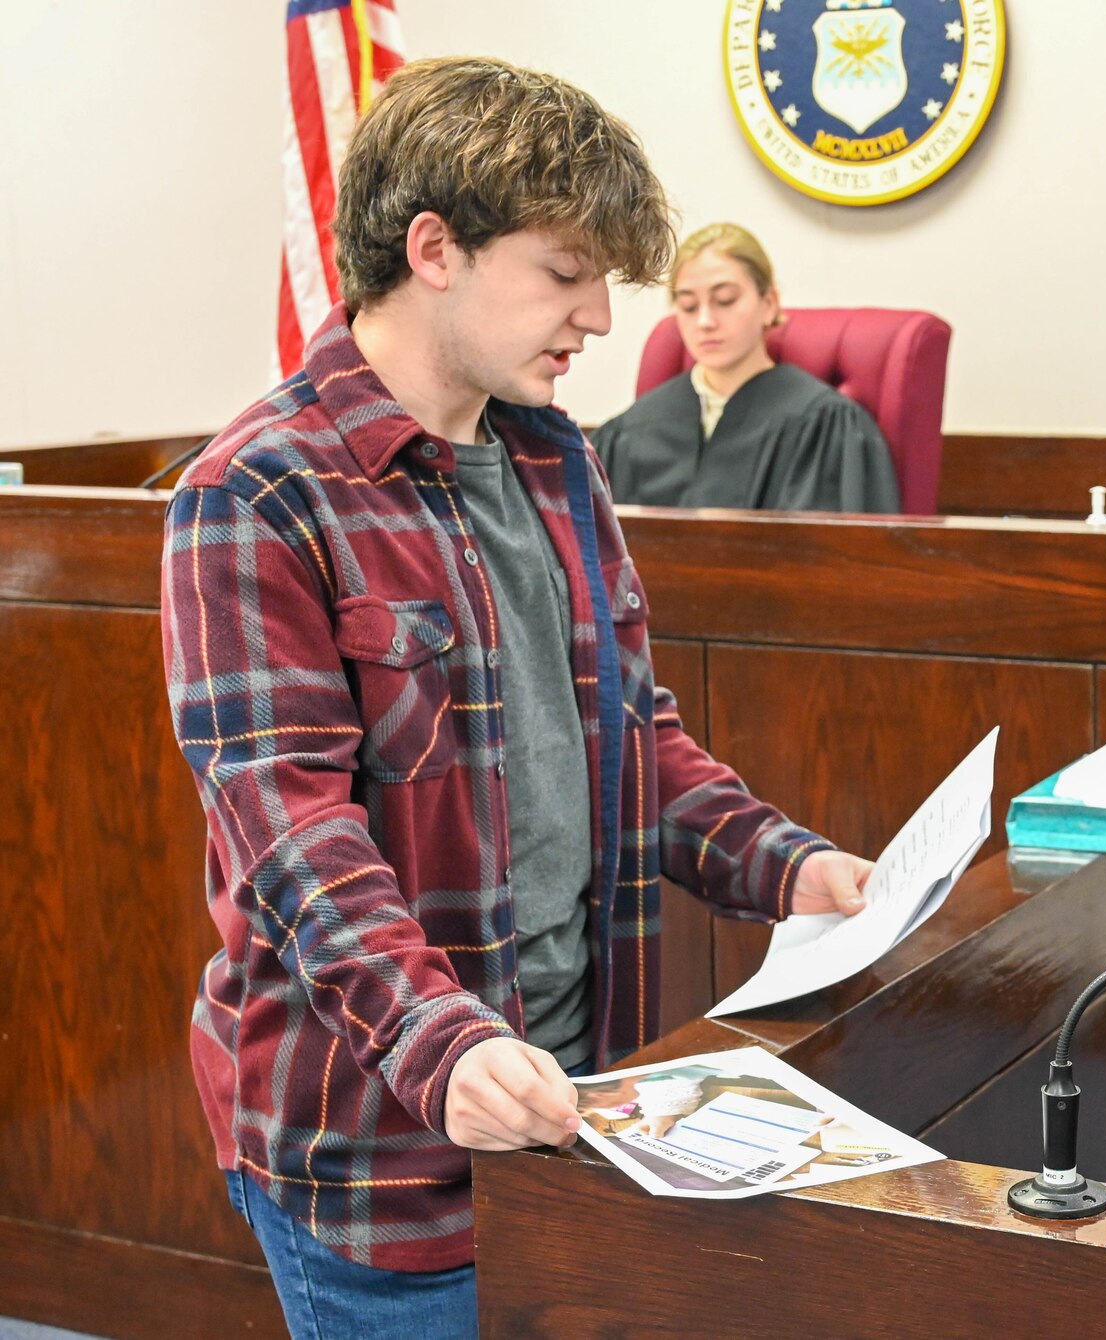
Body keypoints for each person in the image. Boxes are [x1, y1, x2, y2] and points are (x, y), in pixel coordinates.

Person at [161, 57, 874, 1339]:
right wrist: (444, 1044)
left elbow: (631, 748)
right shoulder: (256, 493)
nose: (602, 316)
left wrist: (793, 866)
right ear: (434, 248)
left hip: (577, 1100)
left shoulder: (556, 461)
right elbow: (294, 844)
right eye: (565, 272)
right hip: (380, 1145)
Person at [590, 221, 901, 513]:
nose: (705, 321)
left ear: (769, 304)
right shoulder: (628, 432)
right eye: (687, 306)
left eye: (725, 300)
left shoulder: (825, 424)